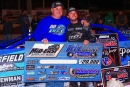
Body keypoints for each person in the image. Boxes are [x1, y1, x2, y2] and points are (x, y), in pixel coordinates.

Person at [66, 7, 96, 87]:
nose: (73, 14)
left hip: (83, 54)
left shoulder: (84, 25)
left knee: (83, 78)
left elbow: (93, 38)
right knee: (72, 77)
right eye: (71, 13)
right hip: (71, 55)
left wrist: (88, 40)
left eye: (75, 12)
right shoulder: (66, 27)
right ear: (68, 16)